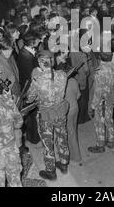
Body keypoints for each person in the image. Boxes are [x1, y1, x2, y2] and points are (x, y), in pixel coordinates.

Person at [26, 50, 69, 181]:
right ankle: (64, 164)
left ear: (40, 63)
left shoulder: (37, 80)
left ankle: (51, 171)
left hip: (45, 115)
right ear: (53, 61)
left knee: (47, 143)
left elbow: (29, 98)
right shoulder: (63, 75)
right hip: (60, 112)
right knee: (62, 138)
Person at [88, 52, 114, 153]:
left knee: (99, 122)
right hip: (111, 97)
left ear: (100, 57)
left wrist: (93, 106)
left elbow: (98, 92)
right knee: (109, 119)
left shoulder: (99, 72)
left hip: (102, 100)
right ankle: (110, 141)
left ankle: (100, 145)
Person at [17, 33, 41, 145]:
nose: (39, 41)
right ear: (32, 43)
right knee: (33, 113)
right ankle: (34, 138)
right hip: (31, 88)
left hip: (31, 86)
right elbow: (31, 76)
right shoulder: (26, 57)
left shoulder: (26, 51)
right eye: (37, 40)